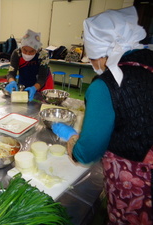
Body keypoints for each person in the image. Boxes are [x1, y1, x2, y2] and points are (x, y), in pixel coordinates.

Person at [52, 6, 153, 224]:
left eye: (92, 57)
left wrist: (73, 138)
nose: (92, 63)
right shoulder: (148, 63)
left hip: (138, 188)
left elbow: (87, 153)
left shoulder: (105, 86)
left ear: (103, 53)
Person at [5, 29, 52, 102]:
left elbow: (42, 78)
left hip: (43, 84)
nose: (27, 53)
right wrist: (12, 82)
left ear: (36, 50)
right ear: (21, 46)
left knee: (40, 105)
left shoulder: (43, 55)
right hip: (25, 79)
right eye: (25, 50)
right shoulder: (17, 53)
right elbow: (11, 73)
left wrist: (34, 88)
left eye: (31, 51)